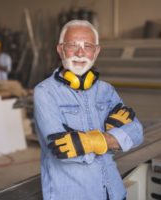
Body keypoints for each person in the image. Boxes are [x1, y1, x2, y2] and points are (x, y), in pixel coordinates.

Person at [33, 20, 144, 200]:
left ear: (96, 51)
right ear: (60, 49)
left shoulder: (106, 90)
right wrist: (113, 139)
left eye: (88, 46)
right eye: (72, 45)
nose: (80, 52)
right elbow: (61, 149)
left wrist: (88, 142)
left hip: (114, 192)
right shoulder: (44, 92)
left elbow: (137, 131)